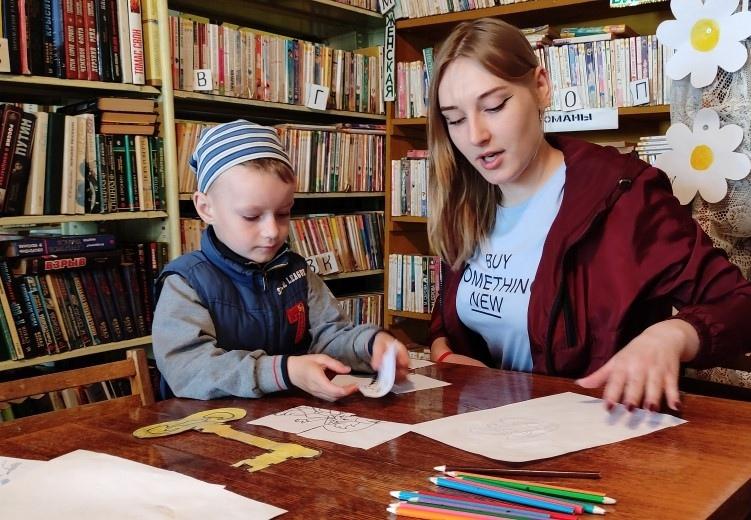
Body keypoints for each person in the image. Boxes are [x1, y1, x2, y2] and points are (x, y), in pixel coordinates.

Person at [426, 18, 751, 412]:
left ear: (541, 87)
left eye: (494, 106)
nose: (476, 135)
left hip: (601, 432)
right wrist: (446, 353)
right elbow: (449, 318)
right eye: (455, 119)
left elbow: (738, 303)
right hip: (486, 429)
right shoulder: (465, 200)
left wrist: (673, 335)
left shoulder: (626, 195)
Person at [153, 120, 409, 401]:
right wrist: (282, 371)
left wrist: (370, 345)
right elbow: (189, 369)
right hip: (207, 422)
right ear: (206, 208)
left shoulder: (296, 271)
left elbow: (330, 336)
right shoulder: (186, 283)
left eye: (283, 213)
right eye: (251, 216)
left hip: (284, 419)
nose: (272, 231)